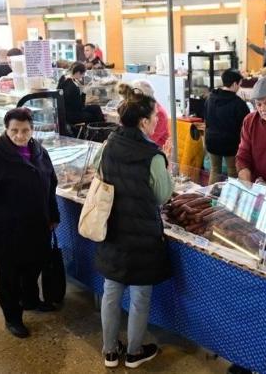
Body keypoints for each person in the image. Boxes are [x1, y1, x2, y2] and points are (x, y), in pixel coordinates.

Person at [94, 89, 172, 369]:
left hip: (113, 228)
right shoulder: (153, 155)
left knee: (111, 290)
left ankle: (110, 351)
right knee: (140, 294)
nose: (155, 121)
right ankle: (135, 352)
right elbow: (162, 195)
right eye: (153, 117)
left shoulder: (109, 143)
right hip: (142, 233)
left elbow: (98, 172)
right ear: (143, 122)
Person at [0, 107, 60, 339]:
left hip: (37, 225)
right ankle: (12, 318)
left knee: (33, 266)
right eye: (15, 131)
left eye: (25, 130)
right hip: (7, 229)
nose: (20, 135)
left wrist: (53, 215)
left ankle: (30, 300)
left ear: (32, 129)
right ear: (6, 130)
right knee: (8, 276)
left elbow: (51, 185)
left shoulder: (39, 151)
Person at [205, 69, 250, 178]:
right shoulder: (238, 103)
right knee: (233, 171)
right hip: (230, 144)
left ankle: (212, 194)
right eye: (239, 84)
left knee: (215, 170)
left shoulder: (210, 98)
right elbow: (246, 124)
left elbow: (205, 118)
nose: (239, 87)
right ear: (235, 84)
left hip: (211, 140)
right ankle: (230, 195)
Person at [57, 62, 104, 128]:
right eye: (83, 74)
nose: (83, 76)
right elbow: (80, 106)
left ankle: (96, 131)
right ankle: (100, 130)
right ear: (78, 73)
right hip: (72, 115)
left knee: (96, 108)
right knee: (94, 114)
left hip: (63, 113)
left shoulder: (63, 78)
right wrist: (84, 92)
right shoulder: (73, 87)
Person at [127, 80, 170, 152]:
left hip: (155, 151)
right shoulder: (140, 110)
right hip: (140, 148)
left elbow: (150, 141)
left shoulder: (159, 114)